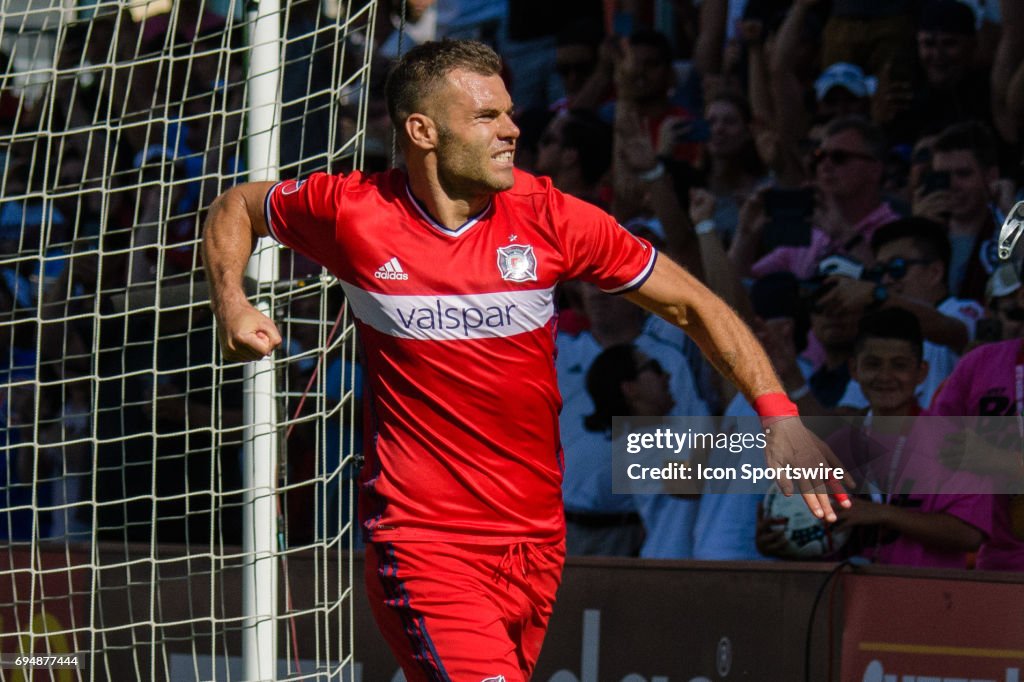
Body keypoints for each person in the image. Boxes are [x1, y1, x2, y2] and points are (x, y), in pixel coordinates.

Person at [201, 39, 849, 681]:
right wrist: (231, 300)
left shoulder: (550, 216)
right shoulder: (354, 212)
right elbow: (237, 207)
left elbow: (693, 305)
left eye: (509, 112)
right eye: (487, 116)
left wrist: (778, 413)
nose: (512, 129)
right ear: (421, 130)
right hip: (422, 541)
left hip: (535, 541)